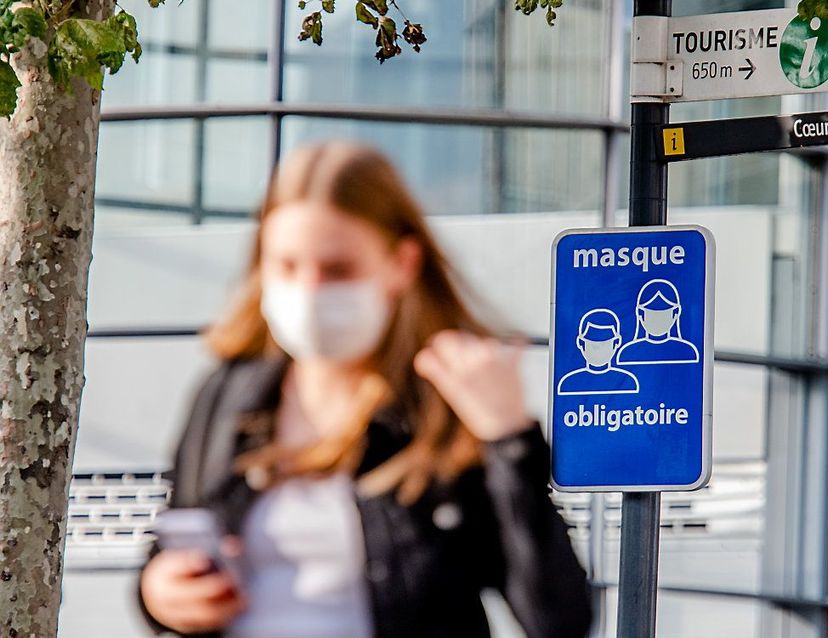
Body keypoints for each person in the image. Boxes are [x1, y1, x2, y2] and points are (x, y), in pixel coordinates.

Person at [136, 141, 592, 638]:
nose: (309, 292)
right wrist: (160, 593)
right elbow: (170, 545)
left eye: (337, 270)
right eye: (286, 266)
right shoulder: (227, 392)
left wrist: (507, 438)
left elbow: (558, 619)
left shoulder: (445, 404)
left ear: (402, 264)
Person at [556, 308, 639, 396]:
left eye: (605, 344)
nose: (598, 350)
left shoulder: (627, 382)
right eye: (593, 345)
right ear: (581, 343)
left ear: (616, 343)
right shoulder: (568, 383)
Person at [617, 279, 699, 365]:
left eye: (664, 313)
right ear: (640, 313)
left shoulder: (687, 351)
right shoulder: (627, 353)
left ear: (675, 313)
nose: (657, 319)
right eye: (651, 313)